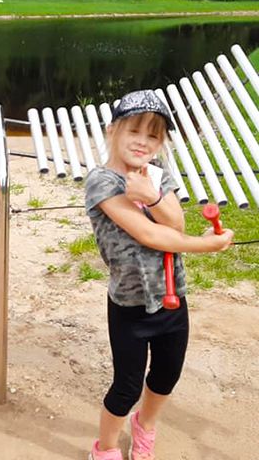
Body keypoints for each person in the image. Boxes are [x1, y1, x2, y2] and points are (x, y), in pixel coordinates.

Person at [84, 90, 233, 460]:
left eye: (153, 135)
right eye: (134, 130)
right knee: (126, 387)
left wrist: (151, 195)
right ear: (112, 130)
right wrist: (208, 245)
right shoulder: (101, 181)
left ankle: (145, 426)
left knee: (167, 376)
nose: (143, 142)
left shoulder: (157, 174)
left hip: (172, 295)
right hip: (130, 304)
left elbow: (176, 222)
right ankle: (105, 448)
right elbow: (150, 234)